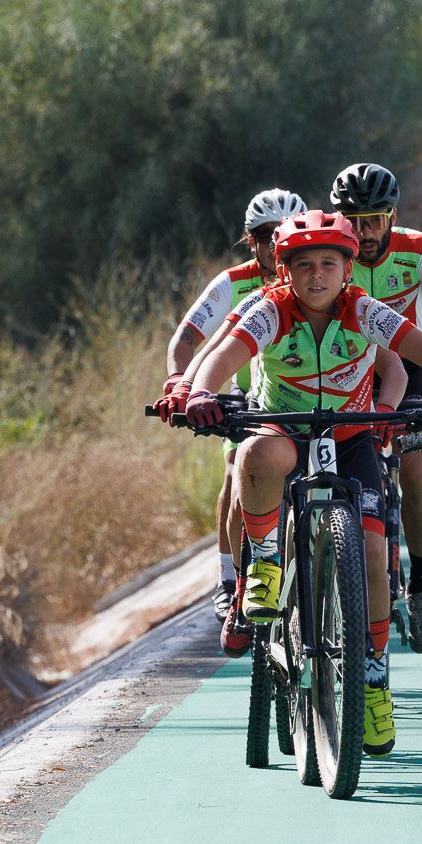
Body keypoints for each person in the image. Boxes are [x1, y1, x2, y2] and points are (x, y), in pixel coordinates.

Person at [177, 211, 422, 756]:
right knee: (256, 453)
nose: (317, 276)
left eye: (329, 264)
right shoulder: (269, 309)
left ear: (347, 268)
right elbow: (220, 358)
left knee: (371, 547)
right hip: (283, 428)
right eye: (304, 265)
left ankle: (375, 682)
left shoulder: (363, 309)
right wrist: (199, 392)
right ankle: (265, 562)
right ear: (286, 270)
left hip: (350, 435)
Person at [329, 162, 422, 653]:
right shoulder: (328, 254)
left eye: (375, 219)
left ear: (393, 215)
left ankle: (420, 584)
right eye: (354, 220)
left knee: (413, 472)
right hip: (343, 370)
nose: (365, 231)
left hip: (407, 370)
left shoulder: (420, 251)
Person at [161, 188, 303, 656]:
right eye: (264, 236)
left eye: (282, 235)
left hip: (309, 396)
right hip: (244, 394)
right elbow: (187, 339)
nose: (273, 245)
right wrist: (179, 382)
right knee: (235, 474)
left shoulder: (318, 277)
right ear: (251, 240)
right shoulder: (233, 283)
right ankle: (232, 581)